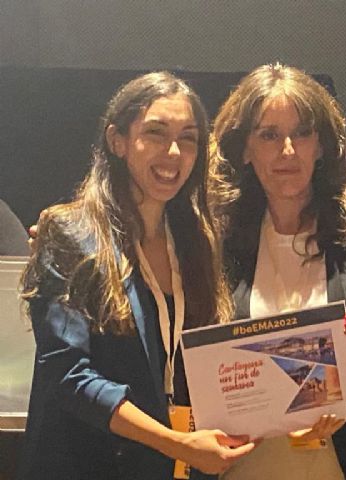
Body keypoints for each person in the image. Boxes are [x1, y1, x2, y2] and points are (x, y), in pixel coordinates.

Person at [19, 72, 256, 480]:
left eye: (188, 138)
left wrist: (287, 414)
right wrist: (175, 442)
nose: (174, 152)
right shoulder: (70, 234)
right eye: (155, 133)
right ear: (118, 141)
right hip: (86, 466)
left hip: (169, 466)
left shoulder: (198, 243)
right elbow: (68, 376)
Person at [210, 63, 346, 480]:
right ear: (245, 149)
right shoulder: (216, 242)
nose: (288, 150)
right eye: (269, 135)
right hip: (245, 462)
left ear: (322, 146)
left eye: (302, 133)